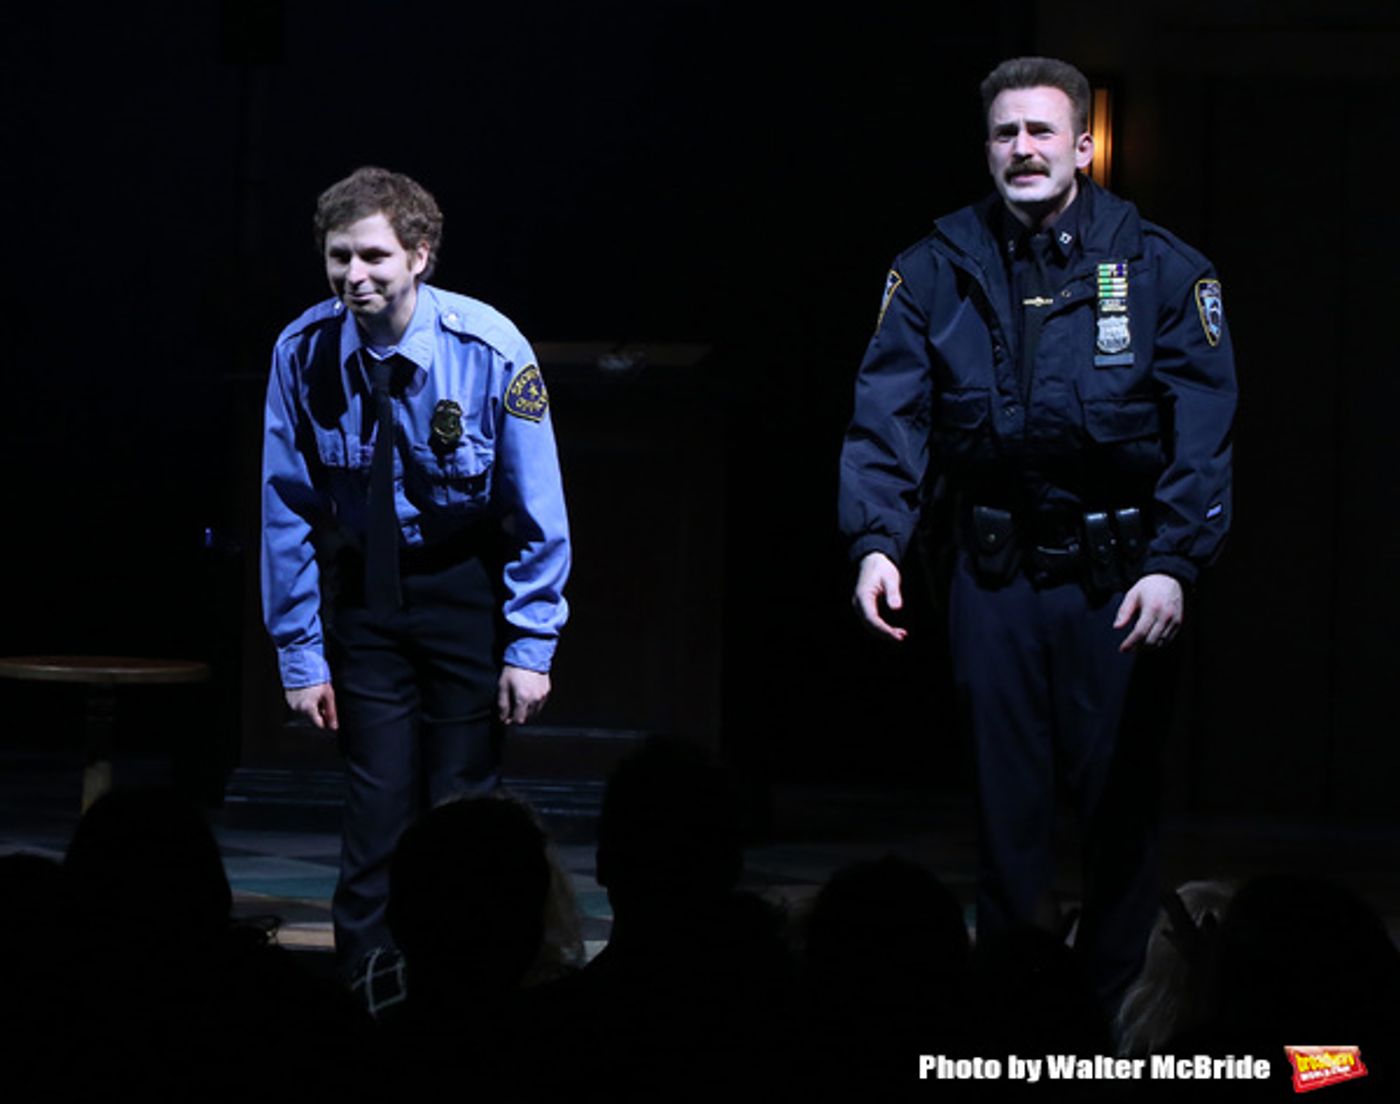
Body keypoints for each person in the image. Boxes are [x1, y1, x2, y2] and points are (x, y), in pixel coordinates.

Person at [838, 57, 1235, 1003]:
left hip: (1121, 579)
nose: (1023, 149)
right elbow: (889, 415)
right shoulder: (933, 269)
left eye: (1042, 132)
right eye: (1006, 133)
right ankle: (1012, 1017)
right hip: (994, 575)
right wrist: (875, 541)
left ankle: (1112, 1021)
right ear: (987, 147)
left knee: (1119, 815)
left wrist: (1177, 561)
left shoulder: (1158, 268)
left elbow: (1204, 429)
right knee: (1004, 815)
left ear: (1082, 144)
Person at [261, 166, 570, 972]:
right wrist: (301, 654)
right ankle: (368, 981)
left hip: (462, 587)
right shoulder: (302, 353)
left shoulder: (490, 348)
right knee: (375, 808)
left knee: (464, 804)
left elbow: (539, 509)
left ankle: (474, 975)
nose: (353, 277)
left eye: (373, 257)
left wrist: (530, 645)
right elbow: (285, 507)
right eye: (339, 258)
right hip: (366, 593)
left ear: (420, 256)